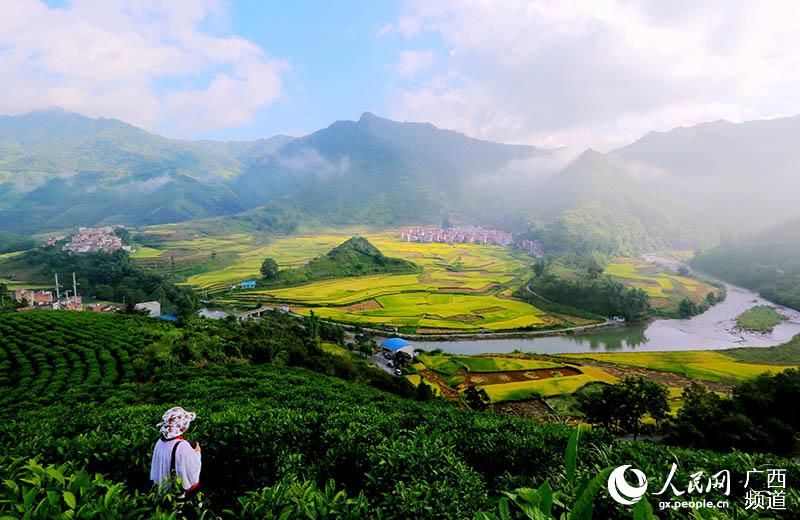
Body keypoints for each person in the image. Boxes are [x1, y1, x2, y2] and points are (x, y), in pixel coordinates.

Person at [150, 406, 202, 497]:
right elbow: (192, 471)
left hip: (163, 492)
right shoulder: (182, 445)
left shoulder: (160, 442)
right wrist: (197, 452)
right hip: (178, 494)